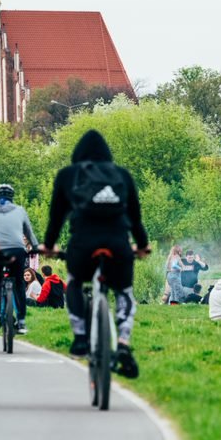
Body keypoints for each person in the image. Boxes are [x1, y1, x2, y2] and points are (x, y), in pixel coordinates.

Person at [41, 130, 151, 379]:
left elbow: (56, 216)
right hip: (118, 243)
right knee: (124, 291)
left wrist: (49, 245)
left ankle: (80, 337)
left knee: (75, 283)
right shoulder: (121, 175)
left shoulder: (69, 175)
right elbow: (135, 217)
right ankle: (123, 342)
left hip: (83, 244)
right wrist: (142, 245)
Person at [0, 183, 39, 335]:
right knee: (20, 284)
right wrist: (34, 247)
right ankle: (21, 321)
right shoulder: (20, 210)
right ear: (12, 197)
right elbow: (28, 231)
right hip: (17, 250)